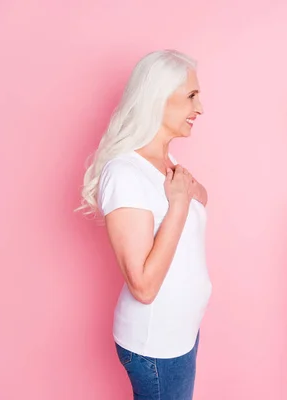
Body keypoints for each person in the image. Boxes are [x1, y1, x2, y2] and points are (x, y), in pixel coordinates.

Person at [77, 50, 211, 400]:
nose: (200, 109)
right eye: (191, 97)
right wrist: (179, 205)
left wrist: (191, 192)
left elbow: (199, 201)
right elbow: (144, 286)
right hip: (156, 344)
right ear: (158, 99)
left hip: (180, 333)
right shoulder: (124, 173)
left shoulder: (165, 161)